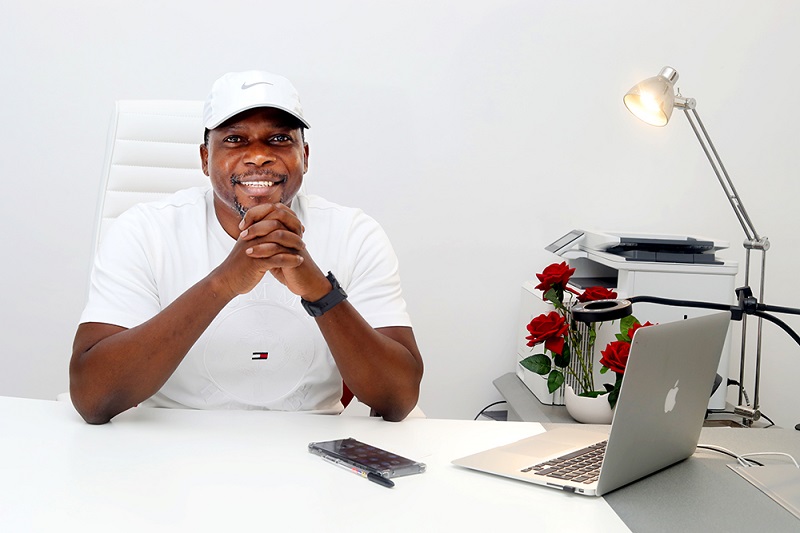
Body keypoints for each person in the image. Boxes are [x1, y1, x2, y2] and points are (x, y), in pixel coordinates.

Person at [70, 70, 423, 424]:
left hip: (308, 443)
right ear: (205, 158)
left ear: (305, 155)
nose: (258, 156)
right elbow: (93, 397)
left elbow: (397, 398)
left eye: (279, 138)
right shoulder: (144, 230)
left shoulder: (355, 234)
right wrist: (224, 282)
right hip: (173, 441)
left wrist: (320, 291)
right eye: (235, 139)